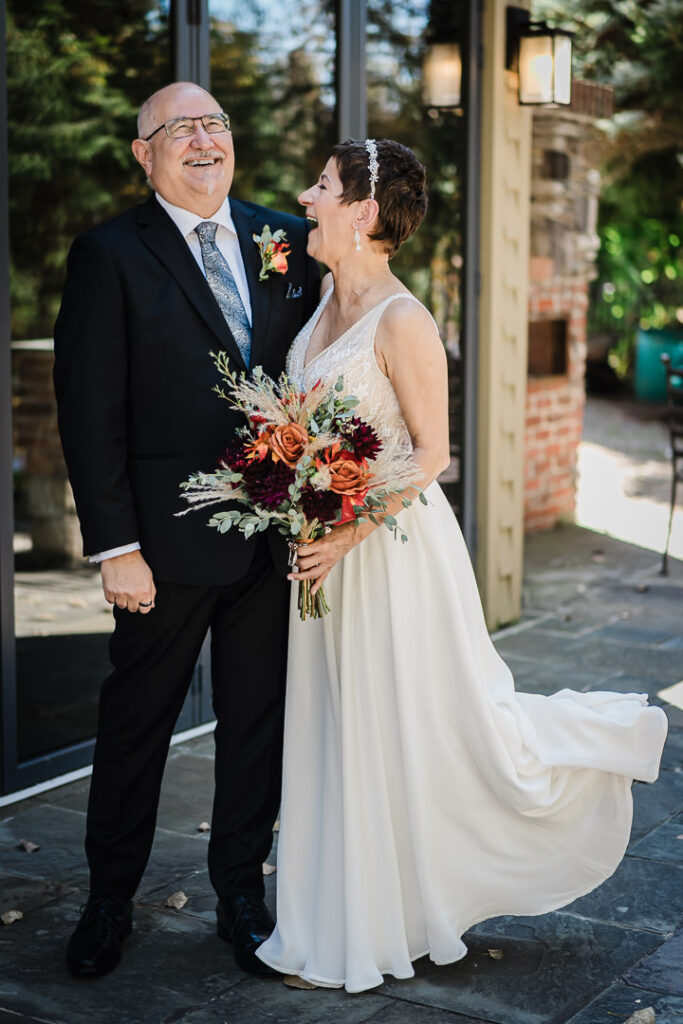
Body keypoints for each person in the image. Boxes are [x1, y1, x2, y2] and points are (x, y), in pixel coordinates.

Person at [254, 138, 669, 993]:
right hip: (326, 549)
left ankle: (603, 740)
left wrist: (344, 532)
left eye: (323, 186)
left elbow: (432, 453)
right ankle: (341, 921)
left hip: (387, 550)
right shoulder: (323, 295)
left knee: (429, 726)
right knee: (343, 733)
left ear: (362, 212)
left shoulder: (404, 320)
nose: (305, 196)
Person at [53, 81, 319, 978]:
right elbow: (89, 411)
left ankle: (241, 897)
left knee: (256, 728)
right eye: (180, 130)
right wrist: (114, 546)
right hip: (161, 551)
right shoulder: (108, 254)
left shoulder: (285, 241)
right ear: (145, 154)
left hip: (274, 541)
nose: (204, 141)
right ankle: (107, 902)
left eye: (216, 125)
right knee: (137, 728)